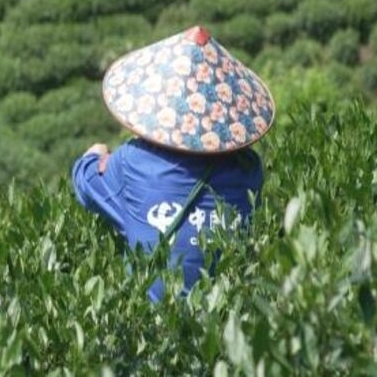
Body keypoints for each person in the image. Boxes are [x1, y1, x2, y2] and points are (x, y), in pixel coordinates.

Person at [71, 25, 275, 302]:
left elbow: (84, 183)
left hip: (155, 332)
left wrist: (94, 155)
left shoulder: (134, 163)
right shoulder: (249, 168)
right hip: (228, 323)